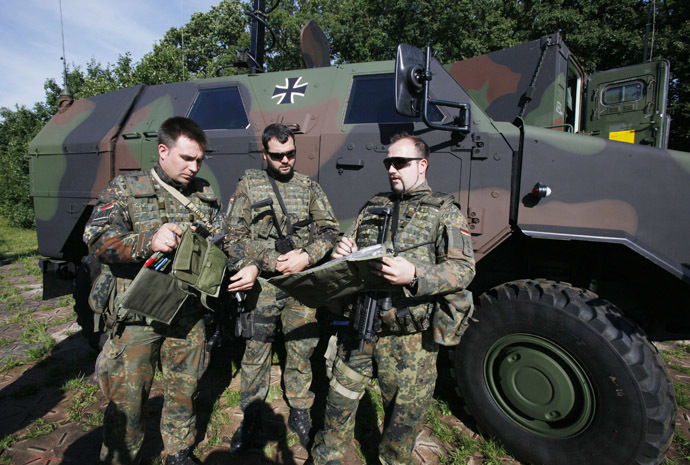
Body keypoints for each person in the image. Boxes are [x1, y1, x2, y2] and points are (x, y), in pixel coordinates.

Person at [84, 117, 258, 465]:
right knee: (128, 400)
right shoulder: (124, 188)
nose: (194, 167)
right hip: (138, 314)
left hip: (186, 313)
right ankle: (121, 457)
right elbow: (96, 240)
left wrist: (248, 263)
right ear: (163, 151)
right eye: (186, 158)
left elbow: (226, 239)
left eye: (199, 160)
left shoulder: (204, 193)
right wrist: (147, 241)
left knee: (184, 390)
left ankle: (178, 451)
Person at [310, 133, 476, 465]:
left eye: (400, 162)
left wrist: (414, 275)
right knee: (338, 403)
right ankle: (325, 458)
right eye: (389, 163)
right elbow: (350, 243)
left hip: (409, 341)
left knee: (401, 425)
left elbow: (463, 270)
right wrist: (342, 250)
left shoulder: (444, 211)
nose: (392, 169)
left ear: (422, 165)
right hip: (360, 326)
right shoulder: (374, 205)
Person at [226, 123, 339, 451]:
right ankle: (251, 416)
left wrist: (307, 255)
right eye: (277, 156)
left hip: (301, 284)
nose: (285, 161)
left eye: (290, 153)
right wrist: (269, 260)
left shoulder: (309, 188)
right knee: (256, 351)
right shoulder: (249, 185)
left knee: (302, 350)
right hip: (263, 284)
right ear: (265, 153)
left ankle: (301, 410)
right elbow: (233, 238)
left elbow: (330, 232)